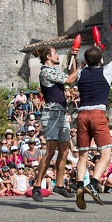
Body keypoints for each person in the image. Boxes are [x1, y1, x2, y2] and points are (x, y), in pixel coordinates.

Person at [75, 31, 112, 210]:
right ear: (100, 60)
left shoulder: (81, 74)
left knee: (83, 154)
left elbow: (75, 71)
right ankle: (93, 184)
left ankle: (80, 185)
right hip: (97, 113)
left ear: (86, 60)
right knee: (106, 154)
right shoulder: (106, 71)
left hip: (81, 115)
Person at [31, 45, 84, 202]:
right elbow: (69, 79)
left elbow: (69, 76)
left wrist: (74, 58)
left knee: (65, 150)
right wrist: (81, 65)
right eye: (55, 53)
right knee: (50, 151)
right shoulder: (46, 71)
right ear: (48, 56)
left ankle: (59, 185)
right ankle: (36, 186)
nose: (57, 55)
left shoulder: (53, 71)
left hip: (61, 113)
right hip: (52, 114)